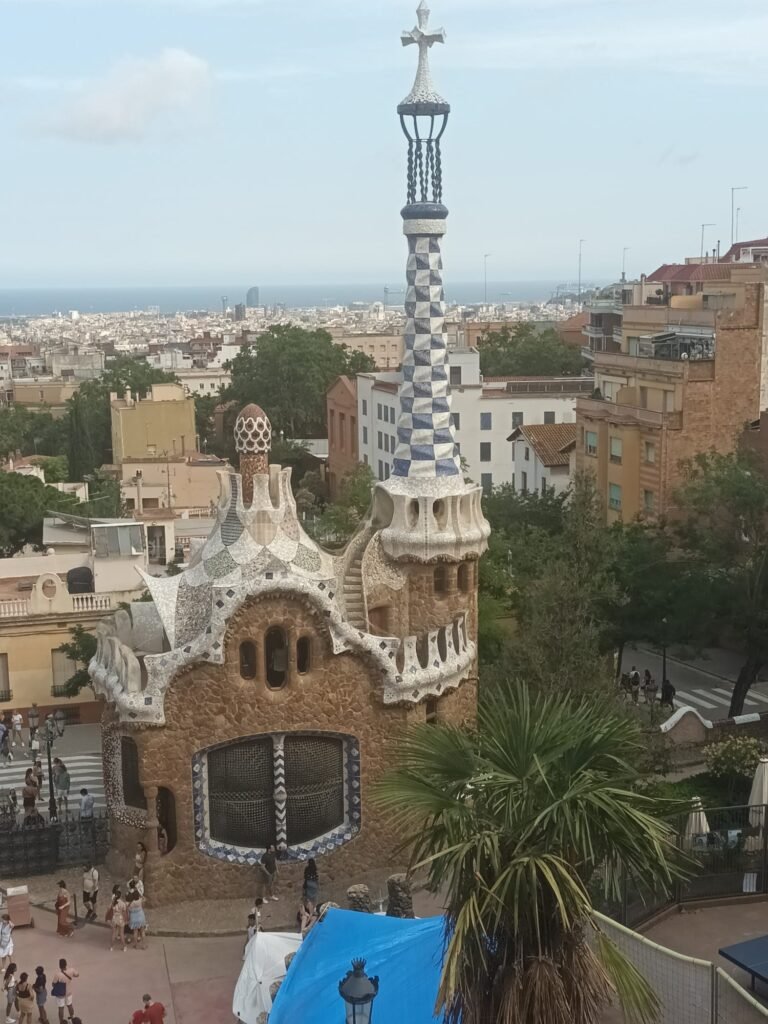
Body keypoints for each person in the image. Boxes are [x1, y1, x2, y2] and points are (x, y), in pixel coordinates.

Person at [50, 959, 78, 1023]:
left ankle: (61, 1021)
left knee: (61, 1007)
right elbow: (77, 975)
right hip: (69, 992)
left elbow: (53, 984)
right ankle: (72, 1018)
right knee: (69, 1005)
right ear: (66, 964)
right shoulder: (71, 970)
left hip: (61, 994)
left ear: (59, 966)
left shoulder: (57, 974)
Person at [107, 886, 128, 952]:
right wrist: (125, 920)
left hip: (114, 919)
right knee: (121, 934)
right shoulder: (122, 903)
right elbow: (124, 913)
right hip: (120, 919)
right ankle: (124, 947)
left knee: (113, 934)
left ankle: (111, 947)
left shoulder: (113, 903)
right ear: (120, 895)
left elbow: (109, 908)